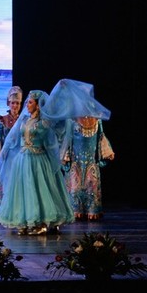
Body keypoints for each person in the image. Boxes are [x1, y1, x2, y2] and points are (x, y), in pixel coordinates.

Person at [0, 89, 73, 235]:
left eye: (30, 102)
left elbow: (61, 122)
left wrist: (60, 90)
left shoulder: (44, 122)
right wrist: (3, 152)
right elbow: (13, 137)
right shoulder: (24, 120)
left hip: (38, 159)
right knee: (23, 191)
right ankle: (24, 221)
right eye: (27, 102)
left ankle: (41, 222)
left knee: (38, 190)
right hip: (22, 159)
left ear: (38, 105)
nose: (27, 105)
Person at [43, 78, 114, 221]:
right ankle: (75, 209)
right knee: (74, 186)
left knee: (91, 184)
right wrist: (61, 89)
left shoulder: (97, 119)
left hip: (91, 163)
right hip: (75, 163)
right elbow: (60, 128)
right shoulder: (71, 119)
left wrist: (107, 152)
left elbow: (101, 137)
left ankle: (92, 210)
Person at [0, 85, 23, 208]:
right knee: (7, 184)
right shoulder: (2, 120)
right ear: (8, 103)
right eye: (13, 103)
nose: (15, 106)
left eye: (17, 103)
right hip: (7, 158)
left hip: (20, 158)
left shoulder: (24, 120)